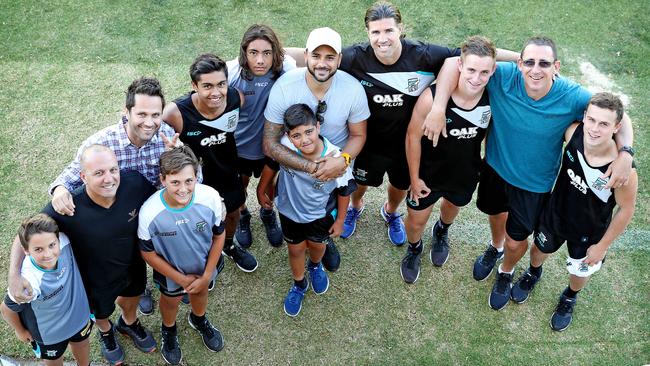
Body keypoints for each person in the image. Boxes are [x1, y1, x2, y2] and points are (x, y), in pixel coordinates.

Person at [422, 36, 634, 311]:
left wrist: (626, 153)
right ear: (519, 63)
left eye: (544, 63)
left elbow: (618, 114)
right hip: (495, 171)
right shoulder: (504, 75)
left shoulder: (572, 96)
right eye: (529, 62)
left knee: (516, 240)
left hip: (534, 186)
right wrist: (438, 107)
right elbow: (454, 63)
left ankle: (506, 271)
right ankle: (494, 247)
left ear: (556, 66)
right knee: (495, 216)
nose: (536, 70)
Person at [335, 1, 516, 246]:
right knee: (362, 181)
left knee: (399, 185)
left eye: (389, 30)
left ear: (401, 29)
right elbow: (317, 56)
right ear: (367, 32)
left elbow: (462, 57)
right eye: (375, 32)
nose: (382, 38)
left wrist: (522, 58)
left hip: (406, 144)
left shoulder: (423, 54)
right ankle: (356, 207)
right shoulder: (354, 57)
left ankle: (390, 211)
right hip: (370, 142)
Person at [8, 145, 158, 365]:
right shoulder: (67, 207)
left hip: (132, 266)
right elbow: (26, 235)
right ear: (83, 176)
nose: (109, 179)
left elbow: (160, 202)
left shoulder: (135, 184)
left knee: (132, 298)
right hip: (94, 279)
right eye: (99, 173)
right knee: (102, 312)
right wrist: (14, 274)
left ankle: (129, 323)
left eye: (113, 170)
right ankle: (106, 332)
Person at [46, 77, 178, 316]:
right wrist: (60, 189)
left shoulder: (167, 138)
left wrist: (175, 162)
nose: (150, 123)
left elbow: (191, 176)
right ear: (126, 112)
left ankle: (166, 278)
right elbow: (73, 175)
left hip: (152, 212)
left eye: (156, 115)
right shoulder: (100, 142)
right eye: (142, 114)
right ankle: (142, 288)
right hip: (122, 214)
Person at [510, 93, 637, 331]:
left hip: (589, 232)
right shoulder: (572, 133)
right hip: (555, 215)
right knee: (539, 249)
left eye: (604, 124)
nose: (595, 129)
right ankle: (534, 273)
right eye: (591, 120)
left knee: (579, 270)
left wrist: (603, 246)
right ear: (585, 117)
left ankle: (569, 296)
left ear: (616, 127)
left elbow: (626, 210)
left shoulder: (623, 171)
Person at [263, 27, 370, 272]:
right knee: (297, 213)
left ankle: (321, 239)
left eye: (330, 57)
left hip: (335, 170)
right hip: (295, 172)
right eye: (316, 56)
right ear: (306, 55)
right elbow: (269, 143)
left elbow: (358, 135)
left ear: (339, 60)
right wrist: (313, 167)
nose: (322, 63)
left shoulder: (352, 88)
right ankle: (308, 243)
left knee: (325, 211)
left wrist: (342, 160)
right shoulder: (285, 86)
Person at [400, 36, 496, 284]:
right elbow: (412, 137)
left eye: (484, 72)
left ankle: (441, 231)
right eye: (471, 69)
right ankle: (414, 249)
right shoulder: (432, 99)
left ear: (493, 70)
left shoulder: (492, 99)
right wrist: (413, 177)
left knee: (451, 209)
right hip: (427, 174)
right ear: (460, 66)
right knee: (415, 220)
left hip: (463, 175)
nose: (476, 78)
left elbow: (491, 136)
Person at [163, 53, 258, 273]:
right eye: (207, 86)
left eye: (221, 84)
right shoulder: (175, 113)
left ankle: (228, 245)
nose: (215, 93)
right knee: (198, 223)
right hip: (195, 182)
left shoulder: (236, 99)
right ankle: (204, 255)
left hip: (228, 172)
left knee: (233, 213)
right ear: (194, 85)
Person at [262, 104, 356, 316]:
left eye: (308, 132)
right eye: (296, 135)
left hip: (319, 216)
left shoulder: (335, 156)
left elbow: (344, 191)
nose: (304, 140)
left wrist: (340, 220)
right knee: (295, 249)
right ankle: (299, 283)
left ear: (318, 127)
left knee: (316, 246)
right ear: (288, 135)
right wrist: (261, 189)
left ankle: (315, 266)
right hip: (289, 213)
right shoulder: (285, 146)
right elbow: (272, 164)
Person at [138, 146, 225, 364]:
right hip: (171, 275)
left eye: (189, 181)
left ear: (197, 176)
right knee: (170, 300)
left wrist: (205, 276)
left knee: (200, 292)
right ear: (163, 179)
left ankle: (199, 319)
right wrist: (181, 279)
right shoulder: (149, 211)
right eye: (175, 182)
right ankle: (169, 329)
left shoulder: (210, 197)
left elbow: (218, 236)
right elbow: (147, 253)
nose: (183, 189)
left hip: (204, 267)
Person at [228, 24, 296, 249]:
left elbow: (301, 57)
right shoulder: (231, 75)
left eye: (266, 53)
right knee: (241, 188)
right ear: (244, 53)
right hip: (240, 148)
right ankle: (243, 215)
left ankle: (267, 213)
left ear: (275, 53)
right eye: (253, 53)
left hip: (272, 147)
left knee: (269, 188)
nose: (260, 60)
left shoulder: (286, 70)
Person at [1, 214, 93, 366]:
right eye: (38, 249)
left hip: (79, 318)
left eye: (51, 245)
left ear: (58, 240)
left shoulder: (65, 241)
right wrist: (20, 331)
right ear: (26, 251)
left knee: (82, 344)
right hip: (50, 333)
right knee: (53, 361)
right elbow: (6, 309)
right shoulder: (29, 280)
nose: (48, 254)